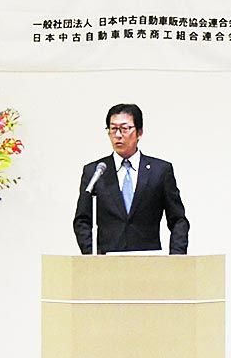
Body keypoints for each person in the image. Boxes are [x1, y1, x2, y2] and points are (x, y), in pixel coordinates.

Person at [72, 103, 189, 255]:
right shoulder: (95, 171)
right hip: (106, 262)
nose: (118, 135)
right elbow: (82, 220)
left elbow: (178, 220)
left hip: (148, 260)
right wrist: (91, 256)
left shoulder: (160, 171)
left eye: (124, 128)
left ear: (139, 132)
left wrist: (176, 258)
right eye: (113, 129)